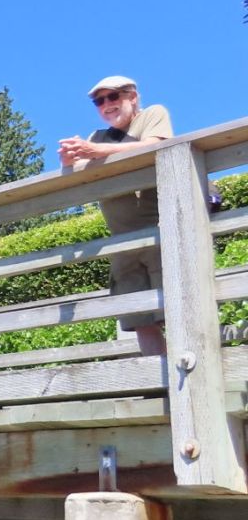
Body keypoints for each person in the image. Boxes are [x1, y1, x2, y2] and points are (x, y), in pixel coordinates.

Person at [59, 75, 173, 356]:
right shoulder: (96, 137)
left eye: (114, 97)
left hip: (161, 233)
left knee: (177, 310)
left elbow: (155, 145)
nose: (106, 105)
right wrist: (68, 160)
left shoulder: (153, 114)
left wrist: (99, 152)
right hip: (122, 244)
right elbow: (75, 172)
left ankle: (190, 382)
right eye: (99, 101)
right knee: (139, 319)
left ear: (132, 96)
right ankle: (162, 384)